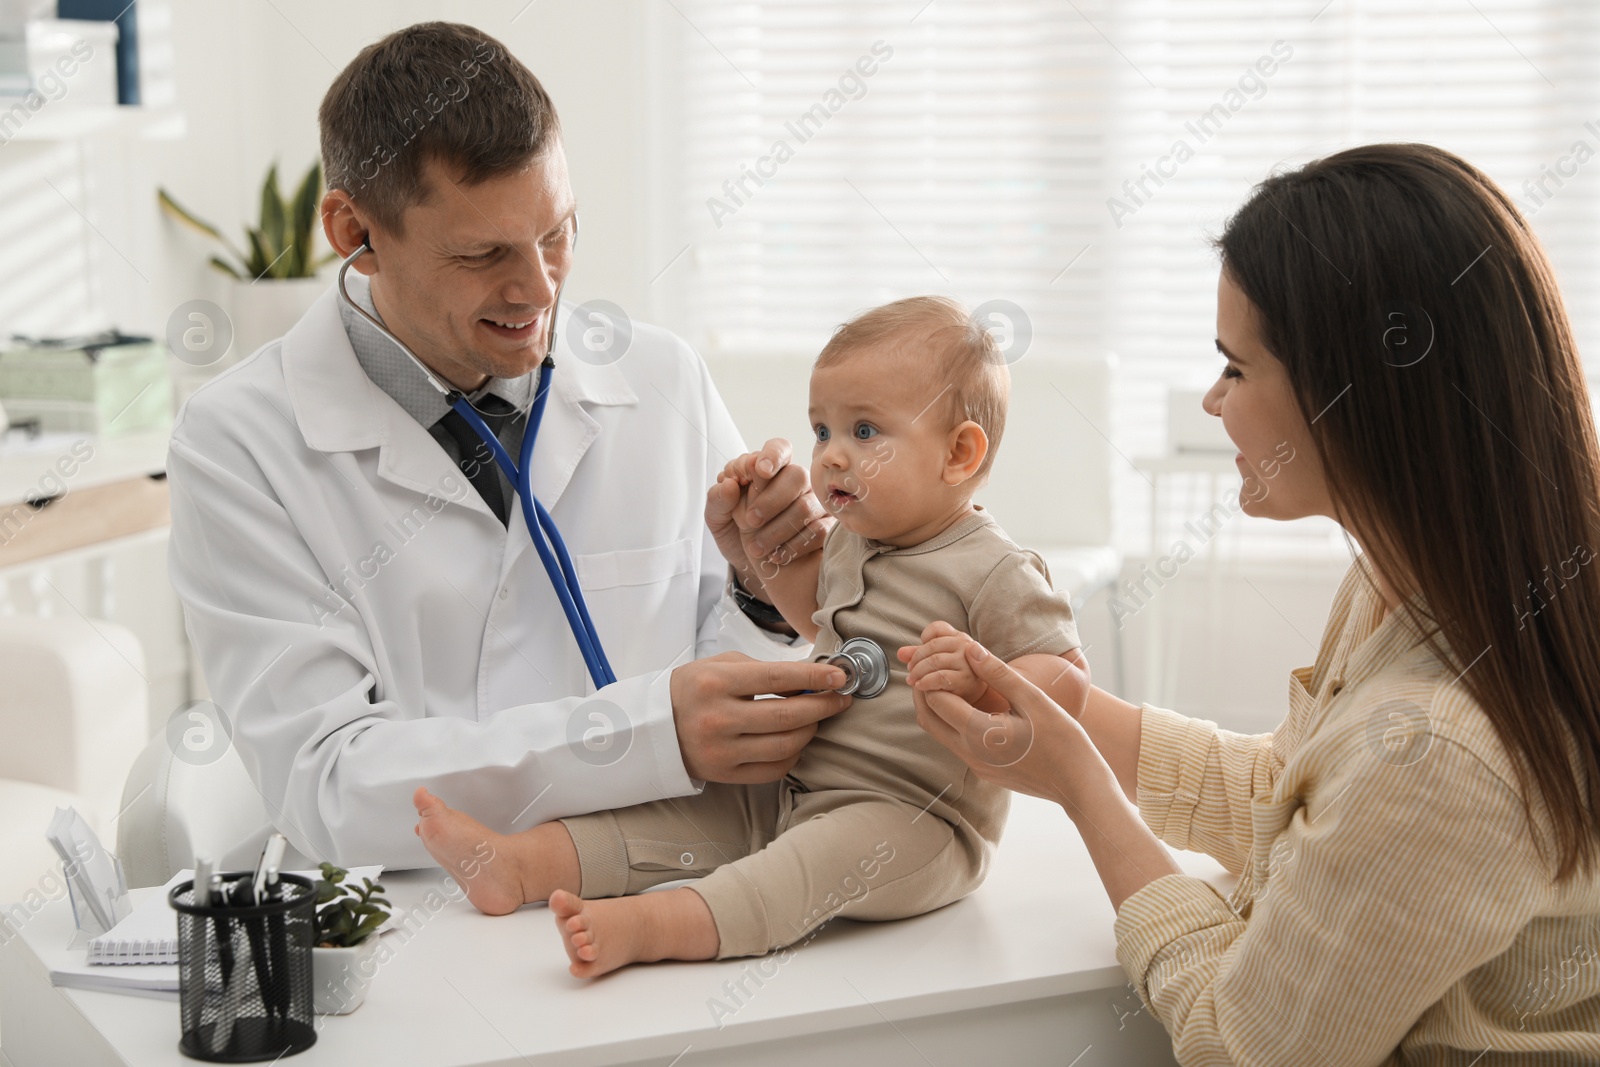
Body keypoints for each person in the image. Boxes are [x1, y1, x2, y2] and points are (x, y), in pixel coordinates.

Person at [906, 143, 1600, 1064]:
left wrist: (1083, 790)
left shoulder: (1440, 749)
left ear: (1357, 393)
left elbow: (1242, 1047)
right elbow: (1300, 806)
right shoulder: (1414, 583)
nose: (1211, 398)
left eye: (1235, 368)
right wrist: (1073, 711)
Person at [164, 21, 854, 870]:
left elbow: (728, 694)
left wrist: (757, 594)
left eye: (557, 232)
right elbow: (332, 784)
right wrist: (645, 734)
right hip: (425, 926)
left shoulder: (662, 378)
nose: (538, 288)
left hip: (664, 893)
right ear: (355, 232)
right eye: (481, 253)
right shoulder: (240, 443)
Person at [410, 296, 1088, 976]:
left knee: (798, 871)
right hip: (800, 781)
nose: (833, 458)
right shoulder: (857, 541)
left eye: (864, 430)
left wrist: (984, 681)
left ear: (958, 452)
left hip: (912, 818)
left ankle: (648, 926)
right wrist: (755, 551)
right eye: (822, 431)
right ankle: (518, 865)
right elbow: (810, 615)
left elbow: (1069, 681)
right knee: (678, 808)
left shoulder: (998, 568)